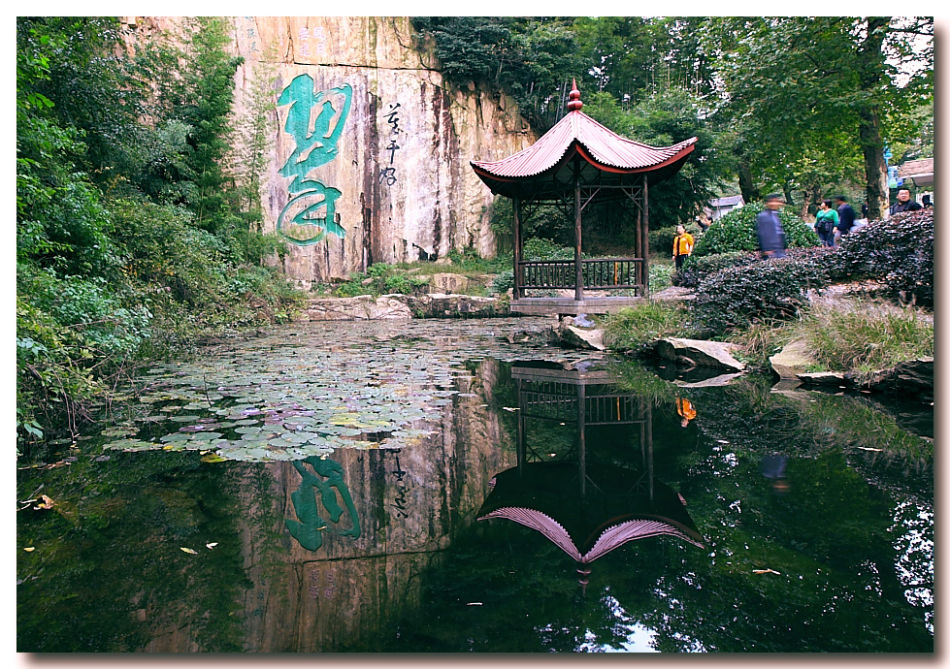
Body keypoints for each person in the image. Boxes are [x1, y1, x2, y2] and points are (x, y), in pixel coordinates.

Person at [756, 193, 787, 259]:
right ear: (767, 203)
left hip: (779, 250)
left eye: (776, 201)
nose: (774, 204)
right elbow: (762, 233)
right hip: (770, 251)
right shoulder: (763, 216)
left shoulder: (775, 214)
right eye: (772, 201)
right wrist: (766, 249)